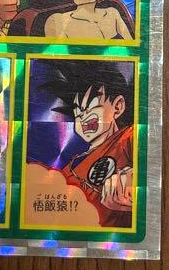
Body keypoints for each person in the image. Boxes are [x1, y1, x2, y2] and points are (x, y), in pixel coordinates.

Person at [40, 60, 134, 227]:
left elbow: (149, 165)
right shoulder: (69, 170)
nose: (83, 117)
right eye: (78, 112)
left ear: (118, 106)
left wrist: (133, 178)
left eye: (91, 107)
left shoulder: (128, 137)